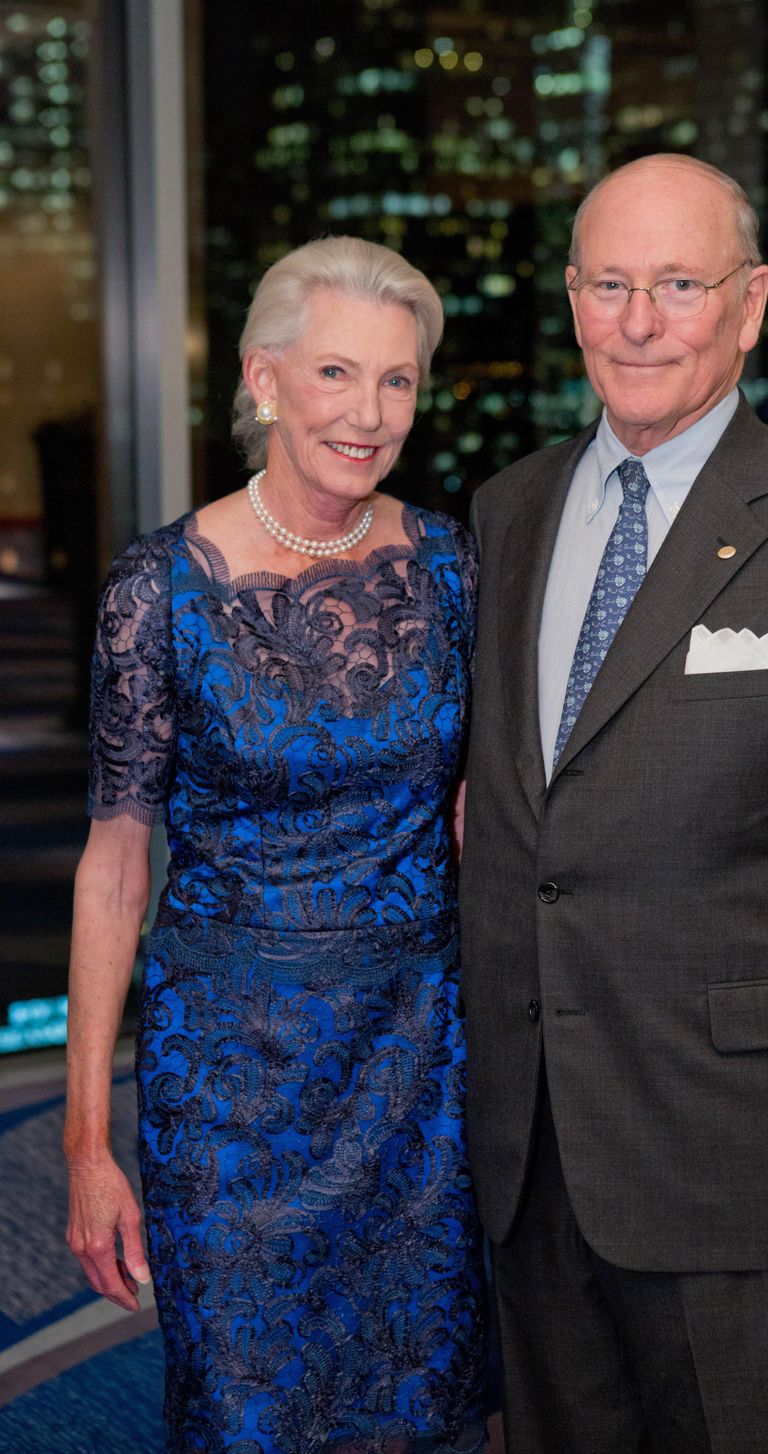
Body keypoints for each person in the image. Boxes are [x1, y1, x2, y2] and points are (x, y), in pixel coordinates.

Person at [458, 153, 768, 1453]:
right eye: (611, 283)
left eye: (679, 284)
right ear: (570, 299)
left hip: (737, 1166)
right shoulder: (506, 513)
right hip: (530, 1149)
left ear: (751, 301)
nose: (639, 320)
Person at [64, 236, 488, 1453]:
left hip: (422, 1070)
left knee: (426, 1407)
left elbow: (479, 814)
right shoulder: (158, 591)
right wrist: (89, 1143)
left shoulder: (454, 567)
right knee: (251, 1411)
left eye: (398, 381)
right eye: (337, 374)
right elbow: (113, 869)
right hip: (232, 1088)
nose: (369, 414)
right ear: (262, 380)